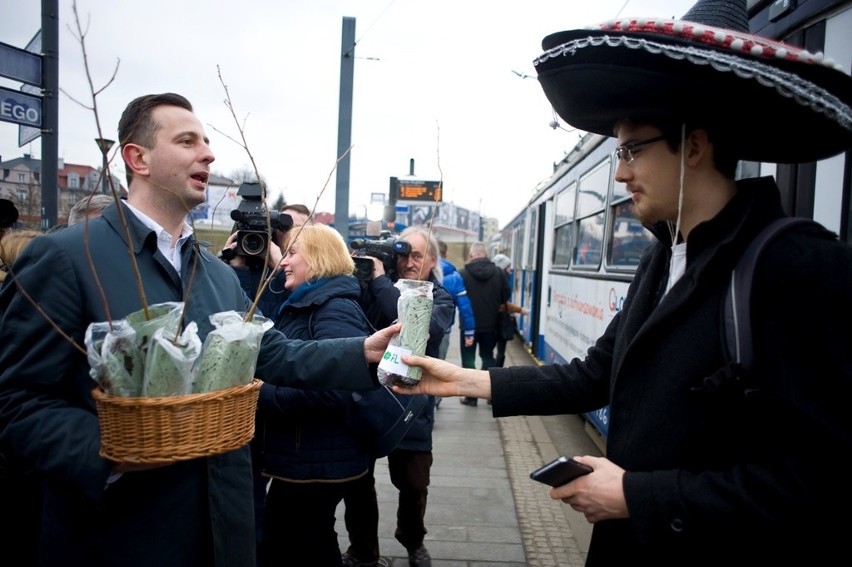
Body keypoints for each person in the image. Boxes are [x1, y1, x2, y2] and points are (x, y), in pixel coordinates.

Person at [394, 0, 852, 563]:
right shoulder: (661, 259)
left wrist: (637, 494)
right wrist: (460, 380)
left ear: (693, 145)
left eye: (633, 148)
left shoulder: (802, 270)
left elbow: (820, 483)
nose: (620, 171)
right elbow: (597, 374)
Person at [0, 92, 397, 567]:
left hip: (223, 527)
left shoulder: (216, 273)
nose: (207, 153)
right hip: (120, 536)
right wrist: (109, 454)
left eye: (207, 143)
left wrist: (361, 352)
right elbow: (15, 401)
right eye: (187, 141)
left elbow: (268, 353)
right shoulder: (66, 259)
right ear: (137, 158)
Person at [255, 224, 374, 566]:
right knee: (311, 540)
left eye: (292, 253)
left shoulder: (333, 308)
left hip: (316, 461)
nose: (284, 263)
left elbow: (336, 388)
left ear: (318, 258)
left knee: (294, 542)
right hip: (309, 457)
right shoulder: (311, 302)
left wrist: (265, 393)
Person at [343, 226, 454, 567]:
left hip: (412, 407)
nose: (408, 262)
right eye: (403, 254)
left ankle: (412, 540)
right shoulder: (373, 288)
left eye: (417, 255)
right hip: (368, 402)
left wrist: (380, 285)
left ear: (433, 261)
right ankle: (363, 550)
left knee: (414, 484)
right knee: (357, 484)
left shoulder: (441, 297)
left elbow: (421, 326)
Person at [223, 202, 313, 319]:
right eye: (284, 226)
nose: (292, 234)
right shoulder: (243, 261)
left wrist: (280, 268)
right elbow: (237, 318)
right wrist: (235, 268)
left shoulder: (314, 269)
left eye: (297, 228)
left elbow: (301, 312)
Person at [457, 241, 509, 406]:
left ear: (471, 255)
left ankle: (471, 397)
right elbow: (505, 296)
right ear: (486, 254)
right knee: (488, 358)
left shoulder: (462, 274)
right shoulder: (499, 273)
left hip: (468, 328)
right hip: (491, 325)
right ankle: (490, 394)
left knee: (468, 360)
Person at [436, 238, 475, 360]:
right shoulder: (454, 276)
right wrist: (469, 331)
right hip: (443, 330)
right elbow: (465, 307)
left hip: (417, 329)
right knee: (438, 366)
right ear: (445, 254)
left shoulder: (419, 270)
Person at [491, 254, 528, 368]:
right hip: (499, 321)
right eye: (508, 267)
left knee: (492, 351)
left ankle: (493, 370)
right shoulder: (500, 281)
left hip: (492, 321)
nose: (510, 270)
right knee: (500, 351)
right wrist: (520, 310)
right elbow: (502, 304)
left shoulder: (492, 279)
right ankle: (496, 371)